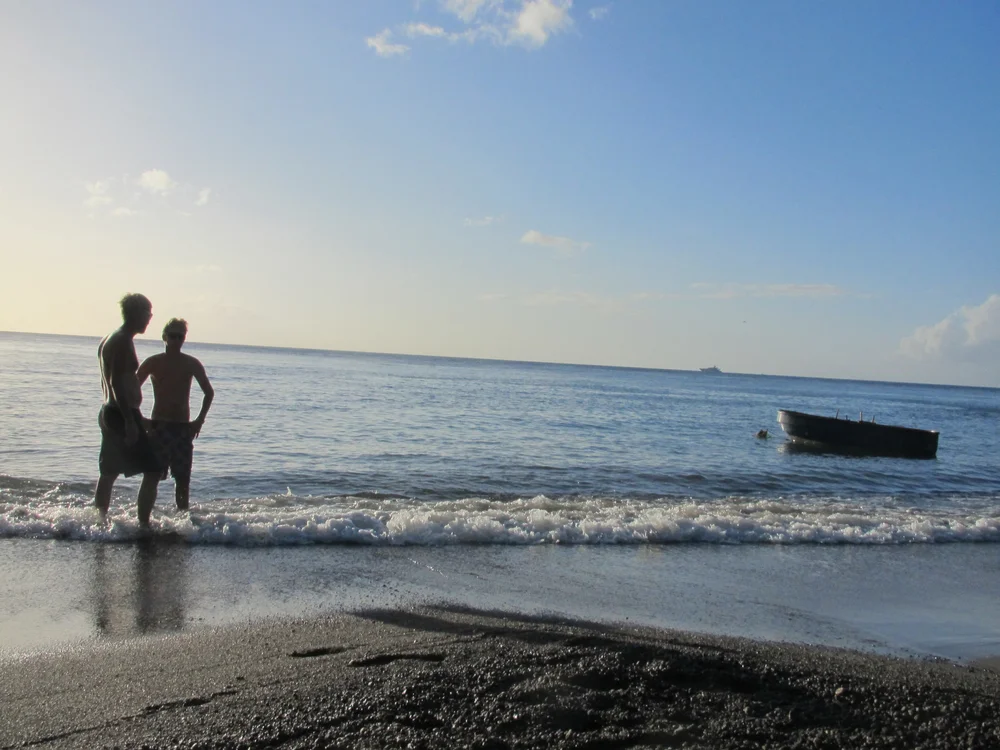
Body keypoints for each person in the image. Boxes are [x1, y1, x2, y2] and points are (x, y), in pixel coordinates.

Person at [95, 293, 163, 526]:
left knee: (109, 473)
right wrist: (130, 421)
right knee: (153, 470)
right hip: (119, 414)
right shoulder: (122, 340)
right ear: (137, 313)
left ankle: (100, 523)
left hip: (110, 411)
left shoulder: (110, 338)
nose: (150, 319)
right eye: (148, 314)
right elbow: (115, 382)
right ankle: (143, 525)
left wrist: (137, 417)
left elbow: (117, 383)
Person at [138, 318, 214, 511]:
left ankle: (183, 521)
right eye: (173, 336)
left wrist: (199, 421)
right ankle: (143, 523)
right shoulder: (153, 362)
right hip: (159, 426)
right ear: (164, 337)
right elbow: (131, 390)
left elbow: (208, 392)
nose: (177, 340)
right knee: (152, 476)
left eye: (181, 336)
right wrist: (139, 418)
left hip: (182, 428)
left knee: (182, 479)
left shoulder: (191, 363)